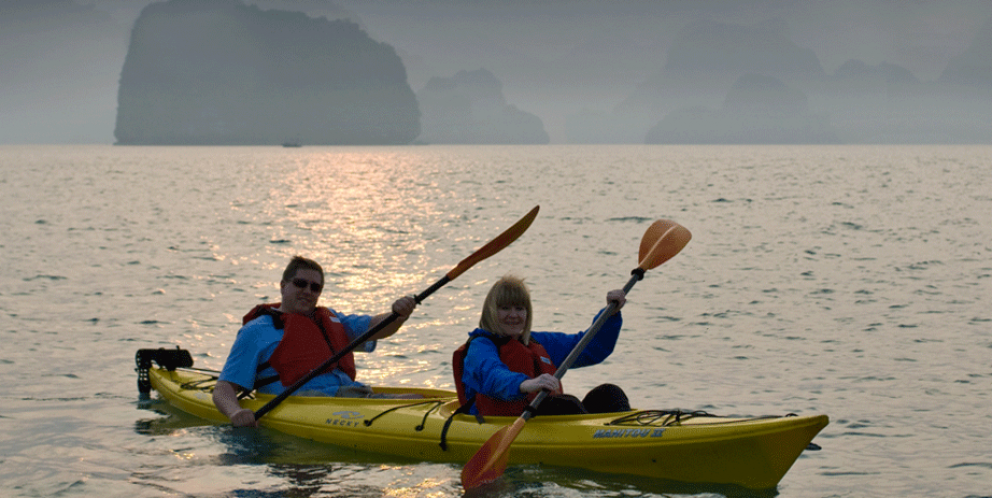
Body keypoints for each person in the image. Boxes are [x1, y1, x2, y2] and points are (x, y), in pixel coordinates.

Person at [213, 255, 419, 427]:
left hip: (351, 397)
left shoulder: (331, 320)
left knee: (419, 401)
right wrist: (235, 413)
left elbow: (377, 327)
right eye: (300, 283)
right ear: (283, 286)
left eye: (315, 287)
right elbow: (224, 387)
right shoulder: (256, 331)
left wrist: (399, 315)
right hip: (308, 406)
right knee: (414, 405)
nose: (307, 291)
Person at [452, 275, 631, 417]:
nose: (513, 315)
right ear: (491, 311)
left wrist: (610, 314)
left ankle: (631, 436)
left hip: (541, 416)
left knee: (609, 393)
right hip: (497, 421)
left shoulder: (538, 342)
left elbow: (589, 347)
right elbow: (492, 376)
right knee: (565, 405)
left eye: (520, 308)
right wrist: (526, 384)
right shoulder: (480, 347)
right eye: (505, 308)